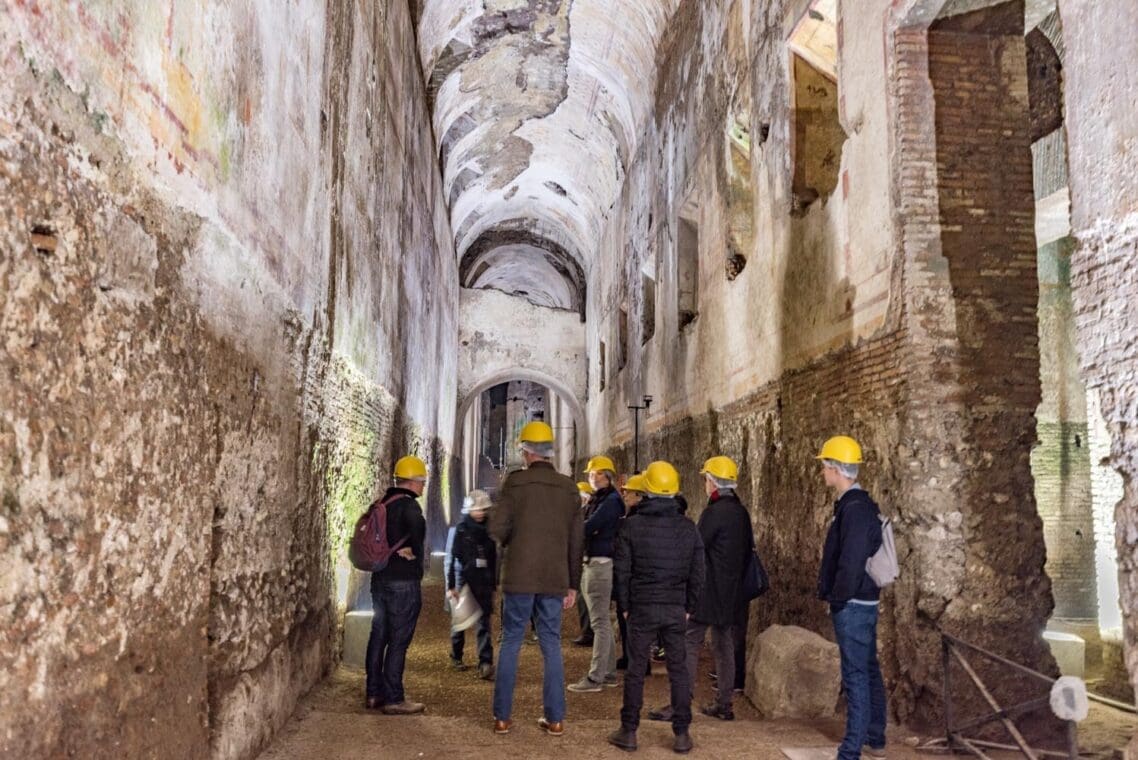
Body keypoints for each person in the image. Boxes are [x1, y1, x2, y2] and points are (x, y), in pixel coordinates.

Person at [490, 421, 584, 737]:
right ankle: (555, 718)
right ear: (549, 453)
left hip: (518, 577)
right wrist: (572, 582)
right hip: (554, 577)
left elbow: (497, 530)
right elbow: (576, 541)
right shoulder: (569, 487)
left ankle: (502, 717)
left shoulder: (514, 485)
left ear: (527, 452)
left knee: (511, 640)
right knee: (551, 642)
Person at [608, 461, 704, 755]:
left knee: (636, 670)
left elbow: (622, 571)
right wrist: (688, 606)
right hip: (675, 608)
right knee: (678, 670)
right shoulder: (688, 528)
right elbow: (698, 572)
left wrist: (625, 607)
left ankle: (629, 731)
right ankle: (682, 733)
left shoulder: (631, 526)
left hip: (642, 608)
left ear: (647, 490)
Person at [655, 456, 750, 723]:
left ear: (713, 482)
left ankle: (680, 704)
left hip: (707, 591)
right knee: (723, 645)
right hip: (731, 593)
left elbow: (695, 548)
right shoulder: (741, 513)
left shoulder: (713, 513)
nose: (705, 484)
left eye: (706, 479)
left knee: (689, 642)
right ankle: (725, 704)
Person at [816, 436, 886, 760]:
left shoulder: (854, 509)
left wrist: (839, 598)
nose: (822, 472)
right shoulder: (857, 505)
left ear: (835, 468)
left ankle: (851, 750)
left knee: (856, 674)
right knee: (868, 668)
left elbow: (851, 560)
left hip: (854, 604)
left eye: (824, 465)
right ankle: (875, 736)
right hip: (863, 602)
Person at [365, 455, 429, 715]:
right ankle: (394, 697)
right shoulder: (410, 508)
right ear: (412, 482)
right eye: (422, 482)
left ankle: (373, 693)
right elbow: (418, 534)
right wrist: (413, 551)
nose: (423, 487)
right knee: (399, 639)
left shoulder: (383, 502)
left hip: (379, 579)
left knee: (378, 635)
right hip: (402, 583)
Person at [569, 456, 625, 693]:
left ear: (608, 476)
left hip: (600, 564)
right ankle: (609, 673)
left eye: (597, 474)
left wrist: (572, 529)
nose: (592, 477)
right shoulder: (601, 499)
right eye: (591, 474)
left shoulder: (610, 501)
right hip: (595, 561)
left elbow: (588, 526)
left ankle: (595, 678)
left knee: (600, 622)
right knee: (602, 620)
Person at [445, 489, 498, 680]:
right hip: (465, 579)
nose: (480, 513)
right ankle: (456, 655)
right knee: (460, 621)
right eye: (476, 509)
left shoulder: (490, 531)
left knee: (484, 622)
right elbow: (452, 559)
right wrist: (451, 585)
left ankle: (485, 662)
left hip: (483, 579)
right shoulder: (461, 530)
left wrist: (494, 582)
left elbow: (493, 558)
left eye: (482, 509)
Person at [614, 474, 648, 670]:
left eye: (628, 492)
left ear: (638, 495)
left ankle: (636, 661)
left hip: (633, 580)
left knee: (632, 622)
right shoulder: (632, 516)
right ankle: (630, 657)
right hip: (634, 578)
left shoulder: (634, 521)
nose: (624, 494)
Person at [573, 482, 595, 647]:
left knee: (586, 598)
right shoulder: (582, 512)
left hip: (587, 559)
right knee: (582, 598)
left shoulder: (587, 513)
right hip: (583, 558)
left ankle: (589, 632)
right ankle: (587, 630)